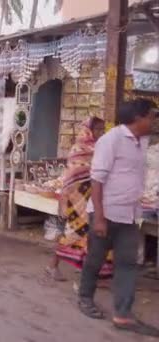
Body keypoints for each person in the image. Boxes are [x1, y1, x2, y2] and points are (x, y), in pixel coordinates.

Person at [78, 99, 159, 337]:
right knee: (96, 259)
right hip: (106, 212)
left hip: (129, 215)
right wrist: (100, 218)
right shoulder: (110, 140)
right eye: (152, 116)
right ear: (138, 117)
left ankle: (123, 314)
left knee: (127, 264)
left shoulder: (142, 142)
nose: (154, 120)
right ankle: (85, 297)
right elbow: (97, 180)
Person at [45, 117, 110, 281]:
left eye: (103, 130)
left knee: (90, 235)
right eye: (98, 130)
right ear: (88, 130)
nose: (101, 133)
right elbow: (74, 175)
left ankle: (87, 271)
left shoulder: (100, 148)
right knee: (74, 232)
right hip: (78, 198)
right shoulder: (79, 148)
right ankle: (52, 265)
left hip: (94, 197)